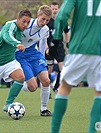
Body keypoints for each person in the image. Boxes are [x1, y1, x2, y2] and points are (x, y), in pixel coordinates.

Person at [51, 0, 101, 132]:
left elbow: (62, 15)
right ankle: (92, 130)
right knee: (99, 92)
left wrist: (56, 38)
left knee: (64, 88)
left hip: (79, 47)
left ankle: (54, 131)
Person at [15, 5, 52, 116]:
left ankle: (44, 109)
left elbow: (42, 44)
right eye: (43, 19)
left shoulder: (45, 30)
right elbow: (10, 25)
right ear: (38, 16)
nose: (44, 22)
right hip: (20, 55)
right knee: (32, 87)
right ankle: (21, 83)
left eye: (47, 20)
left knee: (46, 81)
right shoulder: (26, 24)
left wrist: (41, 61)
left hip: (35, 54)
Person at [44, 1, 70, 93]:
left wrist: (67, 43)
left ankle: (56, 86)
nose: (54, 11)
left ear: (58, 9)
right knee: (48, 71)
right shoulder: (46, 21)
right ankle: (47, 90)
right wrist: (46, 47)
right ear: (50, 9)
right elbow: (42, 36)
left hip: (59, 47)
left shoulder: (62, 20)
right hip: (49, 49)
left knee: (63, 69)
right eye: (52, 9)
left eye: (56, 9)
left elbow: (67, 31)